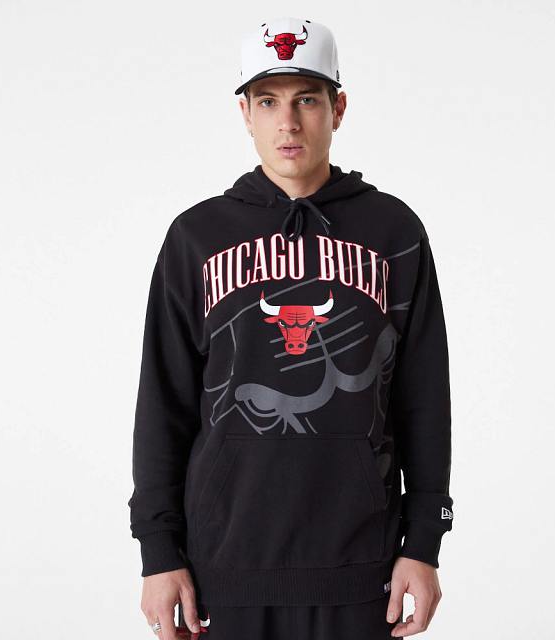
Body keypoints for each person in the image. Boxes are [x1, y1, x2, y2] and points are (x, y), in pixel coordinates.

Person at [128, 16, 454, 640]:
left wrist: (424, 542)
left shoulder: (394, 232)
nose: (288, 122)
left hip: (364, 568)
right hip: (223, 567)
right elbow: (162, 404)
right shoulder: (196, 237)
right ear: (244, 113)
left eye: (307, 99)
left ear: (338, 108)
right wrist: (158, 551)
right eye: (268, 101)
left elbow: (424, 398)